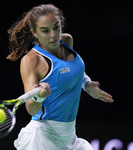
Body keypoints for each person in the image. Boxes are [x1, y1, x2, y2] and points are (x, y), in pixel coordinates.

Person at [7, 4, 114, 150]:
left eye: (56, 27)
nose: (53, 35)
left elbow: (73, 71)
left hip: (70, 135)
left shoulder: (67, 41)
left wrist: (86, 84)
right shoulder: (32, 60)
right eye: (45, 31)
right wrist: (40, 96)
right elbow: (31, 108)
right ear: (34, 32)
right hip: (43, 136)